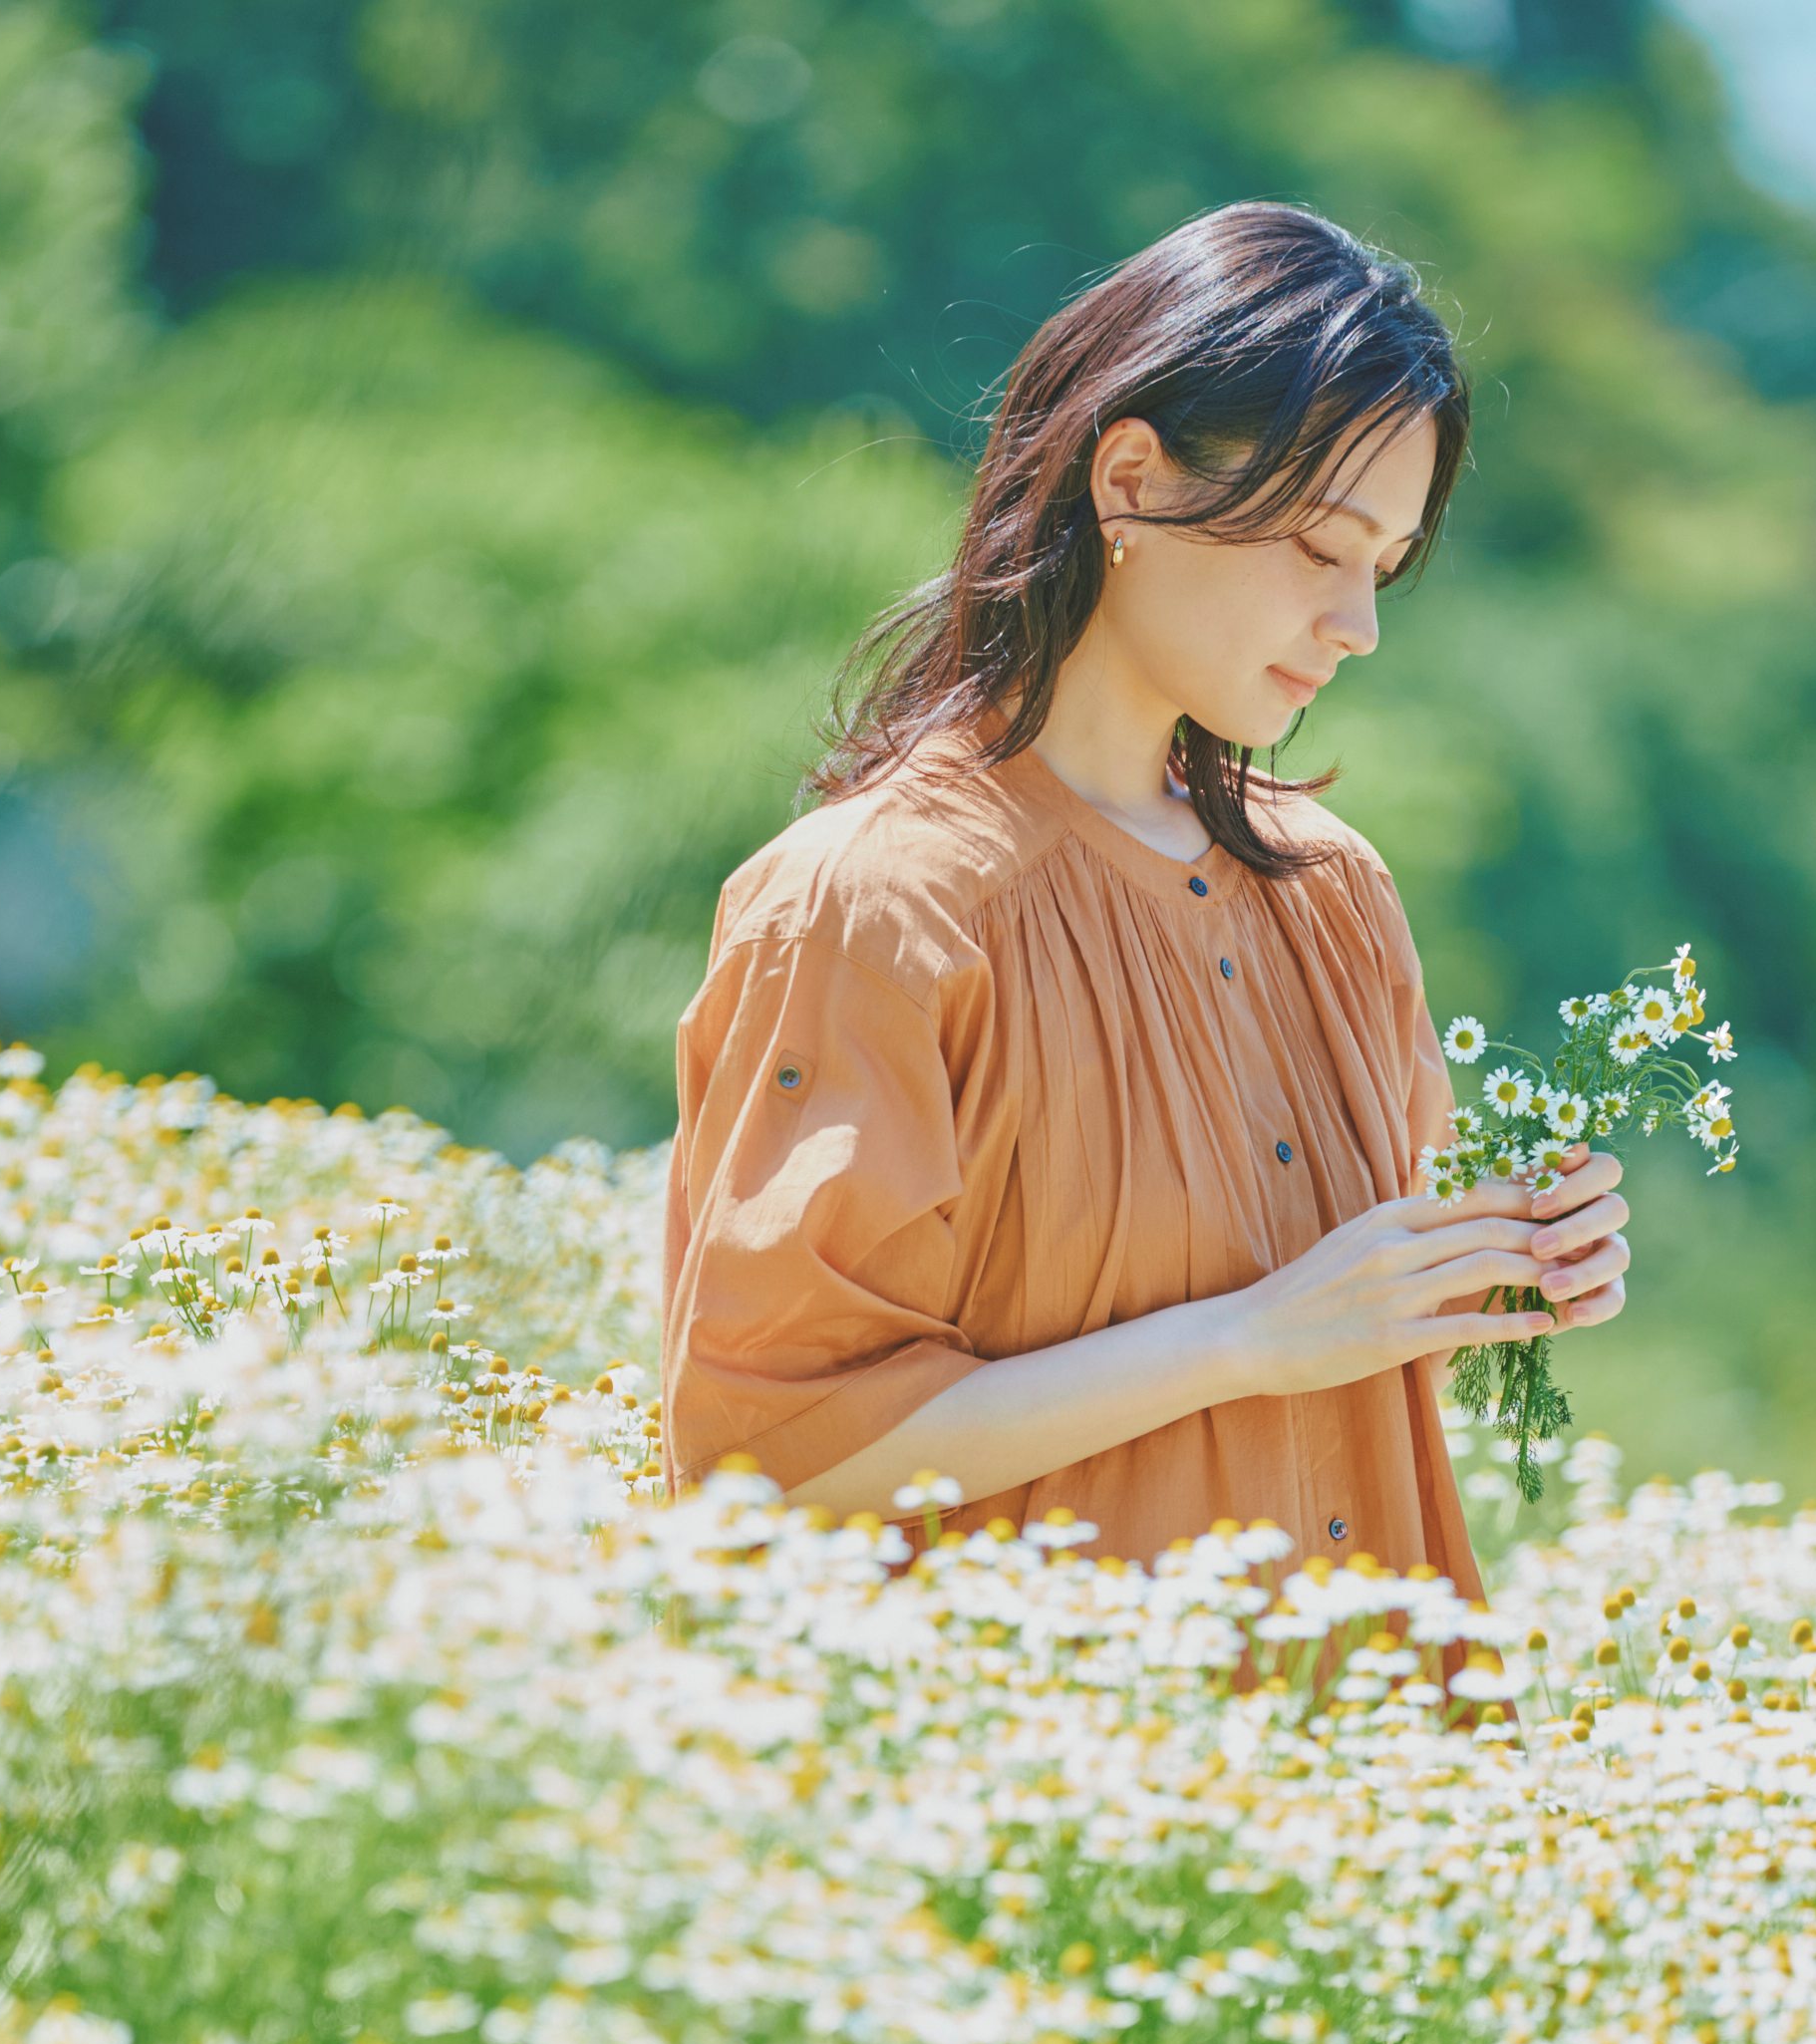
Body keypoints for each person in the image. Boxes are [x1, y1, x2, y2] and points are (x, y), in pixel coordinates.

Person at [655, 200, 1629, 1594]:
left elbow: (1344, 1316)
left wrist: (1505, 1258)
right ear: (1129, 482)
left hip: (1369, 1718)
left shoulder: (1335, 892)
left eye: (1385, 569)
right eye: (1322, 547)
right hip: (1051, 1729)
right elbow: (768, 1460)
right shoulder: (868, 909)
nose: (1359, 626)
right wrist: (1245, 1341)